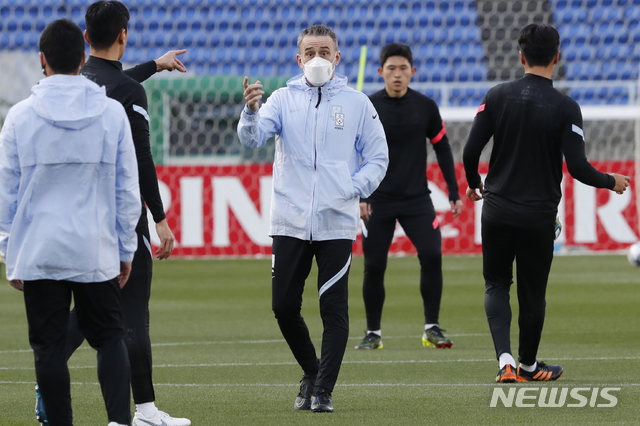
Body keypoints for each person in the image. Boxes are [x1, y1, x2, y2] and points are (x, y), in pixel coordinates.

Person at [47, 2, 190, 425]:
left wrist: (155, 65)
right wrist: (159, 218)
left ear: (86, 37)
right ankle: (143, 412)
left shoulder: (81, 81)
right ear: (123, 34)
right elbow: (143, 158)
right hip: (122, 219)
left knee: (98, 305)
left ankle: (49, 366)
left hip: (78, 216)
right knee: (131, 314)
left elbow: (115, 79)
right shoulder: (130, 94)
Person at [463, 23, 630, 383]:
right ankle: (528, 366)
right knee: (532, 292)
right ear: (558, 57)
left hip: (496, 210)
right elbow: (579, 169)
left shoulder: (495, 96)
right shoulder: (566, 107)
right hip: (538, 217)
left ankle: (505, 360)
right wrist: (611, 181)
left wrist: (475, 184)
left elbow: (470, 151)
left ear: (520, 56)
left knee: (496, 285)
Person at [237, 24, 388, 413]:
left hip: (336, 222)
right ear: (298, 58)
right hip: (289, 219)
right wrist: (251, 112)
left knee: (332, 307)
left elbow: (378, 157)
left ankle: (323, 391)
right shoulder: (281, 100)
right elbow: (252, 140)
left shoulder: (357, 104)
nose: (317, 58)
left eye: (325, 51)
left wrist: (351, 187)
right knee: (283, 306)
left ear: (338, 57)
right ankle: (312, 370)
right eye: (310, 52)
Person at [0, 19, 141, 426]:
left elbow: (6, 193)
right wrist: (125, 248)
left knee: (48, 347)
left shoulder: (20, 117)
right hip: (94, 246)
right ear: (83, 58)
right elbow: (126, 189)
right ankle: (119, 421)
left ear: (41, 60)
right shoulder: (110, 112)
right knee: (109, 338)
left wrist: (10, 250)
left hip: (40, 250)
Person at [354, 43, 463, 351]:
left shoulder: (426, 106)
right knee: (374, 265)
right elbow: (353, 151)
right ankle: (373, 333)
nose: (398, 74)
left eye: (403, 69)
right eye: (391, 69)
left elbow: (442, 146)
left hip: (417, 199)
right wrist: (360, 195)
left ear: (412, 71)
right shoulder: (367, 106)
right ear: (381, 72)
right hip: (377, 200)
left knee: (432, 255)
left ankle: (432, 328)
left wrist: (453, 191)